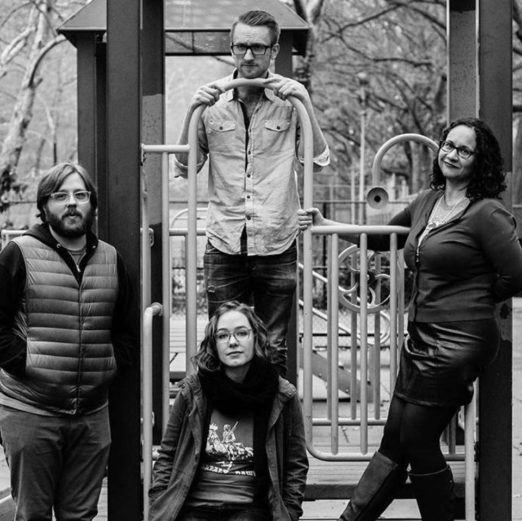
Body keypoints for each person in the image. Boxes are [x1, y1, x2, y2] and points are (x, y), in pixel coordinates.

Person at [298, 117, 522, 521]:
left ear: (479, 160)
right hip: (421, 336)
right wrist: (325, 224)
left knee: (417, 436)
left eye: (464, 150)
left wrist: (475, 296)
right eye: (448, 145)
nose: (452, 154)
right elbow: (384, 237)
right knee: (394, 439)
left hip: (460, 340)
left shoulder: (487, 213)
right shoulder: (428, 200)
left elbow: (517, 274)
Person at [173, 9, 330, 372]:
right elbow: (184, 166)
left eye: (258, 47)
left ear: (273, 51)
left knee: (272, 344)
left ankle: (271, 411)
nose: (247, 56)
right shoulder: (212, 102)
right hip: (224, 240)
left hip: (276, 239)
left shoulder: (290, 102)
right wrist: (193, 110)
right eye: (240, 46)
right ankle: (225, 410)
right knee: (222, 342)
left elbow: (317, 161)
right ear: (231, 48)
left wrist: (305, 102)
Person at [0, 162, 137, 521]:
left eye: (80, 194)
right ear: (44, 206)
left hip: (92, 415)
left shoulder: (111, 258)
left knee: (80, 515)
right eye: (60, 195)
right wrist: (28, 364)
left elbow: (126, 331)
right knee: (33, 515)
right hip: (31, 411)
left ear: (92, 203)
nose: (72, 203)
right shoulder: (18, 253)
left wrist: (108, 366)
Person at [149, 300, 308, 521]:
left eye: (241, 333)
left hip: (250, 509)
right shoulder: (193, 391)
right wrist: (159, 501)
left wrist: (289, 512)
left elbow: (295, 464)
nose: (233, 342)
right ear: (214, 344)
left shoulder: (282, 395)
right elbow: (167, 455)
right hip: (193, 507)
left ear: (256, 338)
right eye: (223, 336)